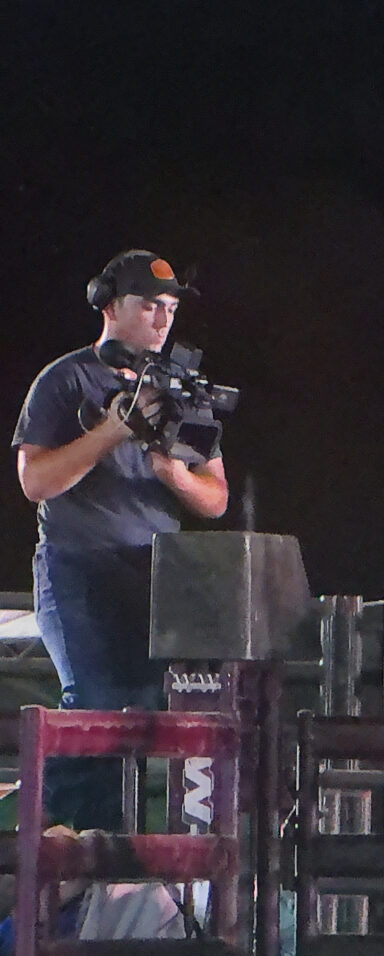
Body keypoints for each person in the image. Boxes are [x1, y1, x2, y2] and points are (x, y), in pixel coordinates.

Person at [13, 251, 231, 829]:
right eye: (148, 306)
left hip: (160, 578)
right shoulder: (65, 380)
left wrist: (172, 473)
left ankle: (131, 861)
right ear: (109, 306)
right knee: (92, 701)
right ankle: (66, 859)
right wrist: (111, 431)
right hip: (78, 568)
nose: (162, 320)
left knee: (162, 710)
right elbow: (36, 482)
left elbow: (216, 498)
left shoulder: (186, 390)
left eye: (170, 308)